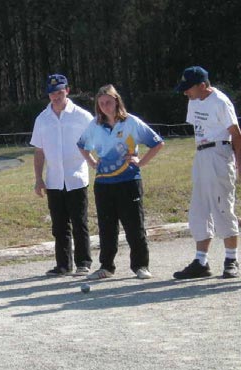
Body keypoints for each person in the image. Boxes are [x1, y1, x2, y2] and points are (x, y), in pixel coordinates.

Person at [77, 84, 164, 280]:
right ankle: (106, 266)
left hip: (128, 180)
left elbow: (157, 143)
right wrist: (92, 161)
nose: (105, 106)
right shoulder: (95, 125)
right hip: (104, 184)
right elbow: (82, 145)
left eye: (108, 102)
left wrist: (140, 162)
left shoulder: (131, 122)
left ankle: (141, 265)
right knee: (107, 227)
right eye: (101, 104)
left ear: (116, 101)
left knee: (134, 226)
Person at [172, 66, 241, 279]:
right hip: (201, 154)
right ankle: (201, 261)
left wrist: (239, 163)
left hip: (219, 153)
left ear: (203, 85)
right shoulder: (193, 101)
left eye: (189, 88)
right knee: (198, 210)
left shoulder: (220, 102)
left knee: (222, 207)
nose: (186, 92)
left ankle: (231, 259)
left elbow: (236, 133)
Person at [30, 74, 94, 277]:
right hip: (54, 180)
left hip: (76, 177)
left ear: (67, 90)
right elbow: (39, 151)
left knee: (79, 223)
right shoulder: (42, 119)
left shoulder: (82, 116)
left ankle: (83, 262)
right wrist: (39, 178)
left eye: (59, 92)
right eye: (52, 93)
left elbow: (95, 141)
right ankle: (63, 264)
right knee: (59, 225)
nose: (56, 97)